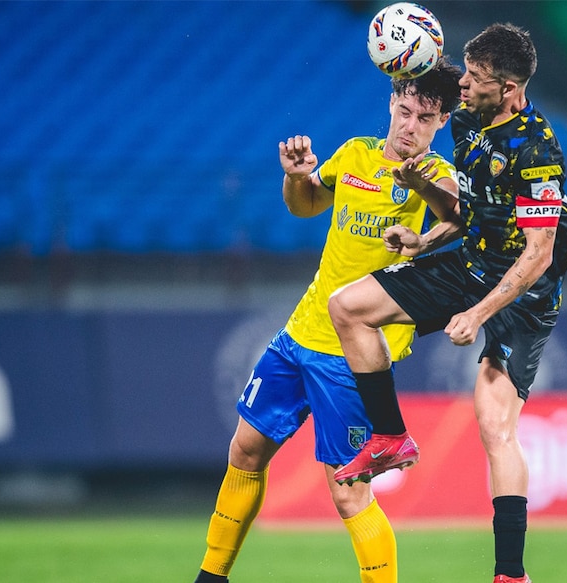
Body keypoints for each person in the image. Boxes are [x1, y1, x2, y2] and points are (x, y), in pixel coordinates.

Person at [192, 59, 464, 583]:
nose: (410, 126)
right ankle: (212, 576)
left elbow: (454, 215)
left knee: (347, 491)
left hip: (353, 354)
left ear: (441, 124)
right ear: (390, 104)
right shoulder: (356, 153)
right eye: (404, 111)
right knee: (245, 449)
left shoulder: (435, 173)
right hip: (300, 334)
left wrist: (419, 186)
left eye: (425, 119)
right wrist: (296, 178)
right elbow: (306, 205)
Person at [328, 23, 567, 583]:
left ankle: (510, 573)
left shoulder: (537, 151)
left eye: (476, 78)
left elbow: (539, 253)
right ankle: (389, 436)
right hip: (473, 260)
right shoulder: (466, 121)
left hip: (523, 292)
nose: (462, 84)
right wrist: (424, 238)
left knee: (494, 426)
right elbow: (469, 213)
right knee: (348, 306)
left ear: (510, 89)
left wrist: (478, 312)